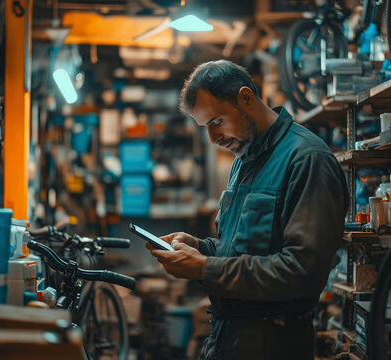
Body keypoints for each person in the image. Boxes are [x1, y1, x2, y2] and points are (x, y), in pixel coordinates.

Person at [146, 60, 349, 359]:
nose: (213, 139)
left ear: (245, 98)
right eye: (205, 128)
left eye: (216, 122)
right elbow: (244, 251)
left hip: (272, 344)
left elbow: (302, 272)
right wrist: (201, 249)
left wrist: (205, 267)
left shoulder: (307, 160)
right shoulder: (243, 161)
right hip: (227, 340)